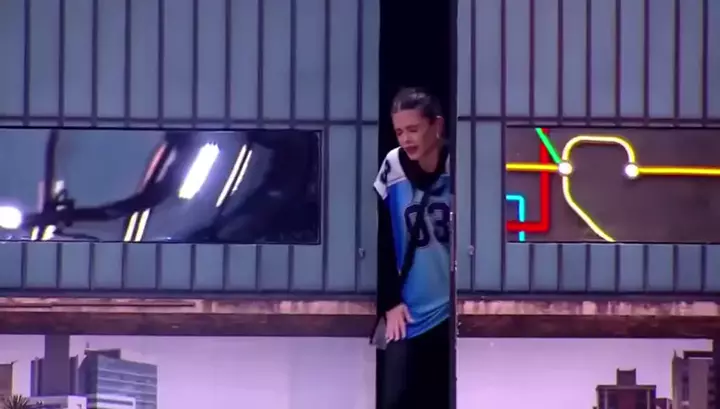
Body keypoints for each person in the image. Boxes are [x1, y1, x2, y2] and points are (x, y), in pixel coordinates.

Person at [374, 87, 451, 409]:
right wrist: (389, 301)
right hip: (407, 314)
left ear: (437, 125)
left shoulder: (460, 165)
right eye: (399, 132)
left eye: (413, 129)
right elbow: (381, 237)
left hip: (451, 312)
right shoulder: (392, 167)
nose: (406, 139)